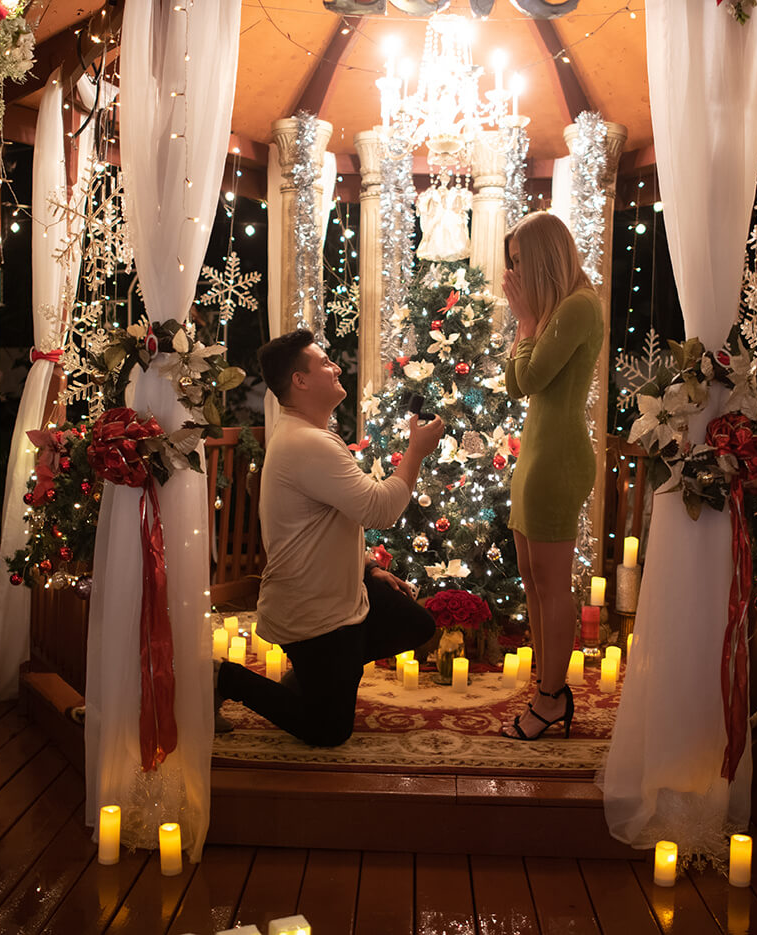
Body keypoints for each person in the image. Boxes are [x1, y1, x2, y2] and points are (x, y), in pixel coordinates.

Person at [215, 329, 445, 746]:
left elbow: (320, 525)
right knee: (328, 731)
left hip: (339, 595)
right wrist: (416, 452)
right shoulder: (306, 442)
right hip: (313, 613)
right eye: (324, 362)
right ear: (299, 381)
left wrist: (369, 568)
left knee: (415, 622)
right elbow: (380, 510)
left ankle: (316, 676)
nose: (336, 366)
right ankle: (224, 678)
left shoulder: (308, 436)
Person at [500, 210, 603, 740]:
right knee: (533, 582)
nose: (513, 274)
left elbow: (530, 376)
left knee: (552, 585)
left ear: (543, 258)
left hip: (557, 460)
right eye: (511, 263)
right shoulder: (555, 312)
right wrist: (527, 325)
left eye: (520, 262)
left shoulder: (579, 307)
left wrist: (523, 322)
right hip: (535, 457)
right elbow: (519, 380)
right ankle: (547, 684)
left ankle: (550, 697)